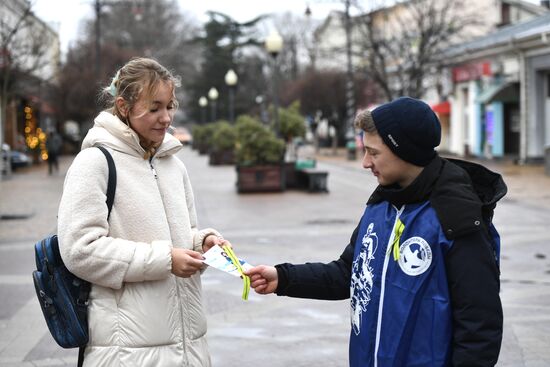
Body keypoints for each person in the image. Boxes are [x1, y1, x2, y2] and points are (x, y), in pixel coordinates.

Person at [245, 97, 506, 367]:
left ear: (405, 151)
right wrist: (283, 278)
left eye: (374, 152)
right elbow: (348, 273)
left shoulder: (456, 215)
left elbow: (479, 326)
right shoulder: (381, 204)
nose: (365, 162)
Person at [57, 57, 228, 366]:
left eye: (170, 106)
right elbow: (80, 250)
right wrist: (164, 260)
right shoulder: (94, 163)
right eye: (154, 108)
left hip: (189, 350)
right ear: (124, 107)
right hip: (126, 353)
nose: (166, 118)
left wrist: (202, 243)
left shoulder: (173, 165)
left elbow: (181, 235)